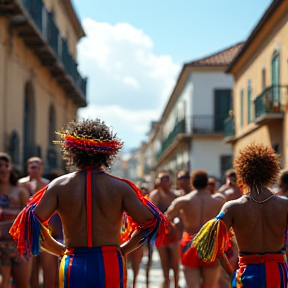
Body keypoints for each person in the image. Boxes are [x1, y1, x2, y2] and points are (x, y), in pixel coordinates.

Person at [10, 119, 167, 288]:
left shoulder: (59, 186)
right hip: (110, 262)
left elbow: (29, 223)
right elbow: (152, 221)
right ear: (107, 153)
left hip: (73, 261)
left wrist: (59, 250)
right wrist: (124, 249)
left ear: (72, 152)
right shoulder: (121, 187)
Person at [190, 143, 288, 287]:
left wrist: (231, 273)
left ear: (242, 173)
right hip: (277, 273)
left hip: (247, 273)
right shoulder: (284, 205)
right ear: (271, 172)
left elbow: (210, 246)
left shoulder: (233, 207)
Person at [166, 170, 223, 288]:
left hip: (190, 243)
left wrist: (175, 229)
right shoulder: (217, 201)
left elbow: (166, 218)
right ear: (207, 183)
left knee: (193, 286)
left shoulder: (182, 201)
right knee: (210, 286)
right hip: (210, 243)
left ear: (192, 183)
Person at [19, 157, 59, 288]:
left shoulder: (50, 185)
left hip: (47, 232)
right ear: (27, 167)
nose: (34, 166)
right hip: (27, 234)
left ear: (42, 168)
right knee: (31, 273)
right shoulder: (20, 185)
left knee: (49, 271)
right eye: (31, 164)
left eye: (37, 164)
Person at [0, 152, 31, 288]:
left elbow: (29, 218)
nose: (3, 169)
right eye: (0, 165)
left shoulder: (20, 191)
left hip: (19, 245)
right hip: (0, 247)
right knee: (4, 283)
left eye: (7, 165)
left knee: (23, 283)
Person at [150, 172, 180, 288]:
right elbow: (153, 211)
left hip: (173, 233)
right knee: (165, 266)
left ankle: (176, 285)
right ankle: (166, 284)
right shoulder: (155, 194)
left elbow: (180, 213)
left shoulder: (175, 195)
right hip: (161, 234)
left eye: (167, 178)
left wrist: (177, 226)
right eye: (162, 179)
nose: (165, 181)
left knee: (176, 266)